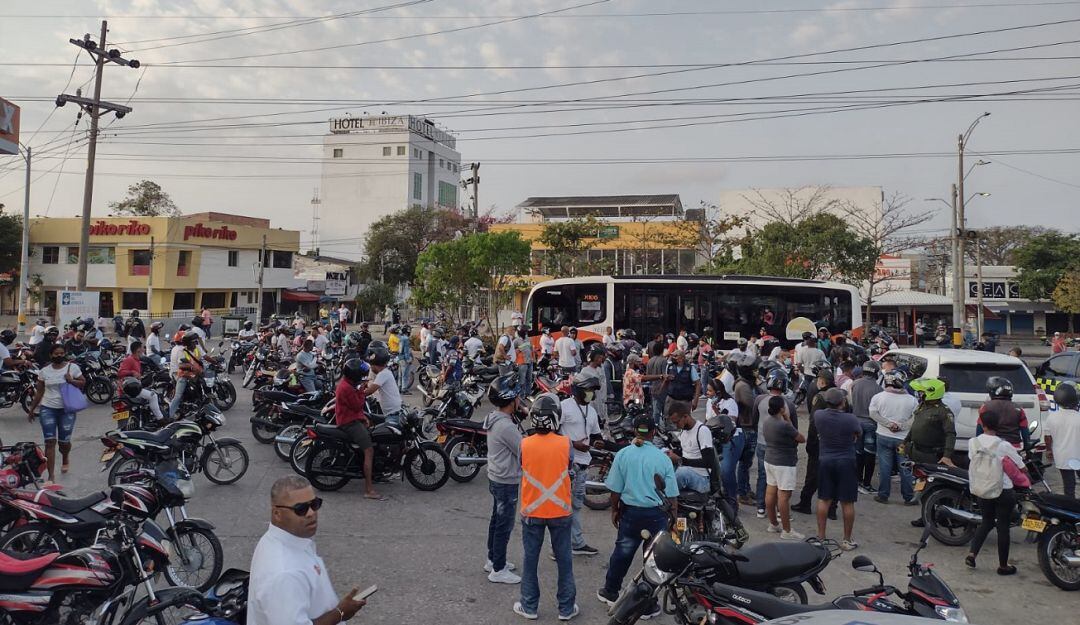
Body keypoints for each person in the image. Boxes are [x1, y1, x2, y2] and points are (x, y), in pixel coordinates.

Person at [248, 475, 367, 625]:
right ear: (277, 513)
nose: (311, 513)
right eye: (301, 509)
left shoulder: (283, 540)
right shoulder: (285, 573)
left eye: (314, 504)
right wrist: (340, 613)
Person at [596, 414, 678, 616]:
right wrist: (673, 520)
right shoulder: (662, 458)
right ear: (653, 433)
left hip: (631, 513)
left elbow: (615, 489)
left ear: (634, 431)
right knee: (652, 559)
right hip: (656, 514)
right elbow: (673, 495)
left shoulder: (623, 454)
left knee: (622, 552)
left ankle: (610, 592)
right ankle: (648, 605)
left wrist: (615, 509)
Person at [515, 394, 578, 621]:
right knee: (564, 560)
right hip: (560, 510)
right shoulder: (566, 443)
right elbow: (570, 466)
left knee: (530, 560)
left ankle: (529, 606)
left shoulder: (524, 444)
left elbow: (522, 465)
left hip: (532, 511)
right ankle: (566, 608)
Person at [965, 409, 1031, 575]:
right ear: (998, 425)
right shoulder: (1004, 445)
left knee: (986, 522)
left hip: (982, 488)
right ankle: (1003, 566)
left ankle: (972, 554)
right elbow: (1021, 465)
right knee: (1003, 527)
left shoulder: (973, 442)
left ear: (982, 424)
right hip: (1003, 490)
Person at [484, 374, 524, 584]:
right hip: (506, 480)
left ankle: (493, 559)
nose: (520, 401)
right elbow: (523, 451)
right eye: (518, 397)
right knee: (504, 524)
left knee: (496, 521)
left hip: (496, 476)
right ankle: (498, 569)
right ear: (511, 400)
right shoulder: (506, 426)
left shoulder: (496, 417)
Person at [26, 343, 85, 483]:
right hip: (47, 409)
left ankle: (65, 457)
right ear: (51, 355)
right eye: (56, 353)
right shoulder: (44, 371)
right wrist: (32, 409)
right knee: (49, 442)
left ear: (64, 353)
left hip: (66, 410)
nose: (59, 355)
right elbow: (39, 392)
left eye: (61, 353)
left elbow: (83, 382)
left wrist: (71, 380)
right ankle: (51, 476)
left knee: (64, 442)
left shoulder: (73, 368)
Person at [813, 388, 861, 550]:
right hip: (846, 461)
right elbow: (857, 434)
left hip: (825, 460)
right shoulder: (851, 419)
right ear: (842, 402)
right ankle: (846, 540)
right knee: (847, 502)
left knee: (824, 499)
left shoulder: (819, 415)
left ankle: (821, 537)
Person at [559, 375, 602, 557]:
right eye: (588, 391)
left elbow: (596, 435)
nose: (591, 395)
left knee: (576, 506)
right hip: (567, 465)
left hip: (583, 465)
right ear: (577, 391)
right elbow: (551, 435)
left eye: (592, 392)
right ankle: (559, 546)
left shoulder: (591, 411)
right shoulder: (564, 407)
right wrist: (572, 444)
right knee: (562, 507)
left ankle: (576, 543)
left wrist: (599, 443)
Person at [751, 370, 798, 518]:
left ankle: (761, 507)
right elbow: (793, 429)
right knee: (780, 481)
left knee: (763, 475)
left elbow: (754, 420)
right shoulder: (789, 405)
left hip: (762, 442)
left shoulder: (759, 399)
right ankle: (779, 510)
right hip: (781, 448)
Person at [870, 370, 918, 505]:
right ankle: (909, 497)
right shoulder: (912, 400)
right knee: (904, 467)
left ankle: (883, 495)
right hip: (902, 440)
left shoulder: (878, 397)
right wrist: (901, 427)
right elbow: (915, 418)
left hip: (883, 436)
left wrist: (888, 424)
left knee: (885, 467)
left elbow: (873, 413)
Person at [336, 358, 382, 500]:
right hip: (348, 423)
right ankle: (369, 490)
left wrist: (363, 418)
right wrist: (362, 389)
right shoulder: (347, 388)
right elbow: (358, 405)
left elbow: (355, 409)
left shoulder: (347, 384)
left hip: (352, 418)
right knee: (369, 450)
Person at [762, 395, 806, 540]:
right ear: (781, 409)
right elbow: (801, 438)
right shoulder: (784, 425)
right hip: (784, 462)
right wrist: (787, 418)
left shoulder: (767, 421)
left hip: (769, 459)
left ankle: (773, 523)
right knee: (783, 497)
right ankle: (787, 530)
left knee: (770, 493)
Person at [665, 399, 717, 494]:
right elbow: (688, 451)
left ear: (685, 416)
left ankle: (667, 497)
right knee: (662, 453)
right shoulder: (684, 431)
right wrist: (672, 453)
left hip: (701, 478)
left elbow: (708, 462)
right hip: (686, 468)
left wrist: (680, 460)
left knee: (681, 474)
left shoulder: (702, 431)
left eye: (677, 422)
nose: (676, 426)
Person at [849, 360, 882, 494]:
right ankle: (866, 483)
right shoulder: (878, 389)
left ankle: (856, 480)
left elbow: (850, 403)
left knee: (858, 452)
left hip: (856, 422)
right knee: (870, 454)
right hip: (871, 423)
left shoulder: (854, 384)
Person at [1045, 381, 1080, 498]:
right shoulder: (1078, 417)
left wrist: (1049, 450)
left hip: (1062, 457)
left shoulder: (1052, 417)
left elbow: (1048, 437)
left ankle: (1070, 510)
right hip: (1078, 455)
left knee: (1069, 486)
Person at [733, 357, 759, 508]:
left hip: (750, 426)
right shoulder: (743, 386)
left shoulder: (748, 383)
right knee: (744, 462)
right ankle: (742, 493)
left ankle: (746, 489)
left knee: (747, 463)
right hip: (746, 426)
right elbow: (754, 403)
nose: (756, 372)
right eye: (754, 370)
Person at [978, 377, 1029, 449]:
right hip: (1014, 447)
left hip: (991, 447)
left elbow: (979, 428)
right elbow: (1024, 431)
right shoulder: (1018, 409)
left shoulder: (986, 407)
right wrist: (1027, 448)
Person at [365, 347, 403, 425]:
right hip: (392, 412)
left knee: (388, 435)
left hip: (392, 414)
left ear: (374, 365)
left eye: (371, 365)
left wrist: (355, 393)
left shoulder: (383, 374)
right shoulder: (385, 372)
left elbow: (370, 391)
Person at [170, 333, 203, 419]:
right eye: (193, 342)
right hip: (184, 376)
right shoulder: (182, 351)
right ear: (188, 343)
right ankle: (169, 416)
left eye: (196, 342)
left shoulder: (196, 350)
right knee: (178, 396)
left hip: (196, 375)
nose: (195, 344)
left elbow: (200, 359)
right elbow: (181, 365)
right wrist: (192, 367)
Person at [662, 349, 700, 414]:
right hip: (671, 399)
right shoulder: (669, 367)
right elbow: (665, 382)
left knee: (684, 421)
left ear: (682, 358)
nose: (673, 358)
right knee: (669, 420)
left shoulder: (690, 368)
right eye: (672, 356)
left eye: (675, 356)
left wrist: (696, 400)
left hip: (685, 401)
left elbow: (698, 384)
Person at [577, 345, 608, 422]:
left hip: (602, 400)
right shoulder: (586, 371)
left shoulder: (601, 369)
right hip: (592, 401)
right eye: (600, 357)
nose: (602, 359)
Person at [644, 341, 669, 427]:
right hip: (662, 388)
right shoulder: (663, 361)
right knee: (664, 409)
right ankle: (663, 426)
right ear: (662, 350)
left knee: (656, 409)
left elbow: (647, 376)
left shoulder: (650, 361)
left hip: (652, 387)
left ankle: (655, 426)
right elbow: (665, 376)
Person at [514, 326, 535, 399]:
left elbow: (531, 349)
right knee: (522, 380)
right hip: (522, 363)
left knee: (529, 379)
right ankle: (521, 395)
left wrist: (533, 359)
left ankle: (528, 394)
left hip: (529, 362)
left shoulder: (529, 339)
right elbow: (513, 351)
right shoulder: (516, 341)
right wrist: (518, 350)